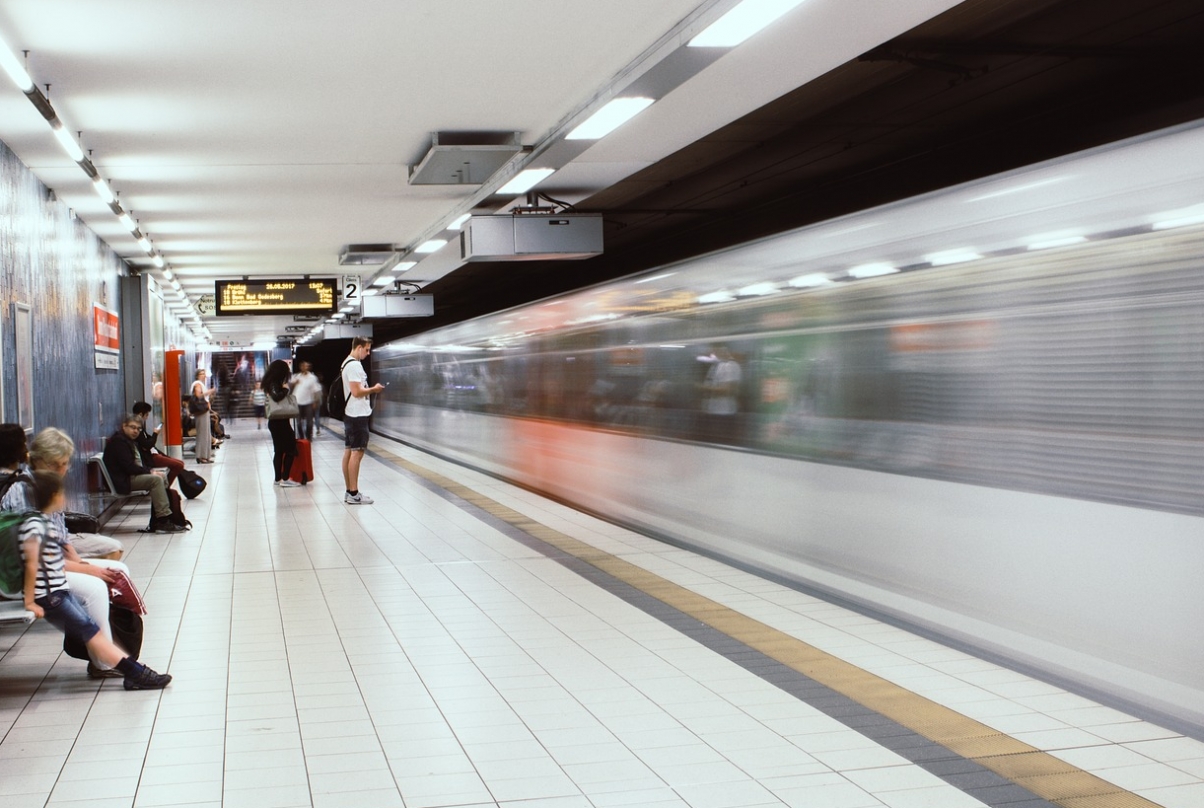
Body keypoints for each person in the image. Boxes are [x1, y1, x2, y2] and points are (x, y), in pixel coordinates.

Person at [19, 470, 172, 690]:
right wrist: (30, 601)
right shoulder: (35, 527)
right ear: (53, 496)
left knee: (91, 632)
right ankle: (136, 674)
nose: (65, 498)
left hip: (57, 592)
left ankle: (134, 672)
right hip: (51, 596)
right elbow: (34, 566)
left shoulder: (42, 524)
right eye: (62, 493)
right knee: (91, 633)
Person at [2, 426, 133, 678]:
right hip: (28, 577)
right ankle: (103, 662)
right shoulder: (23, 491)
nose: (64, 470)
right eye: (59, 464)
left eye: (65, 464)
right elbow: (38, 557)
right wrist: (87, 569)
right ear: (41, 461)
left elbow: (60, 536)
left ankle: (108, 650)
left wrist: (80, 560)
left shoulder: (44, 482)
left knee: (119, 569)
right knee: (95, 588)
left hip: (48, 567)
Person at [102, 415, 188, 533]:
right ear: (124, 426)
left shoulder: (128, 441)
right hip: (123, 480)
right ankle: (163, 520)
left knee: (161, 476)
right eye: (132, 427)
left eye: (138, 429)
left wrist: (151, 471)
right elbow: (129, 467)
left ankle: (161, 519)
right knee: (155, 480)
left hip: (127, 477)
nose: (136, 431)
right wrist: (150, 471)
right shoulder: (119, 443)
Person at [341, 336, 385, 504]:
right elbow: (357, 392)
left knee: (349, 452)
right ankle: (354, 493)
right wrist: (374, 389)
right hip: (357, 415)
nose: (367, 353)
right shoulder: (353, 365)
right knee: (357, 453)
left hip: (351, 413)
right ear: (358, 347)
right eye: (366, 349)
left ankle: (349, 491)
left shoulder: (346, 363)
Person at [262, 360, 301, 488]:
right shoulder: (274, 384)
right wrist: (285, 390)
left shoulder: (270, 382)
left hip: (277, 422)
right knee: (290, 449)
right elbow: (277, 396)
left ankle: (278, 479)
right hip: (280, 423)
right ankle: (285, 478)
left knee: (278, 451)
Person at [131, 401, 186, 488]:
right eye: (147, 415)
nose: (147, 417)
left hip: (153, 454)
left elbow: (148, 442)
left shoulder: (140, 427)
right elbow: (147, 444)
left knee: (179, 463)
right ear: (141, 414)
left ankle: (164, 487)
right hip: (150, 457)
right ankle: (164, 488)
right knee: (178, 465)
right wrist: (155, 434)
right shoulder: (138, 429)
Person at [289, 361, 322, 441]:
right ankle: (301, 437)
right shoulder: (296, 376)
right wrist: (294, 384)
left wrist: (315, 401)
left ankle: (308, 437)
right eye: (303, 366)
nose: (304, 367)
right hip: (297, 402)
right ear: (300, 367)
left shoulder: (312, 378)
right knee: (298, 422)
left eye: (306, 366)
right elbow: (289, 387)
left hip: (308, 402)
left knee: (309, 422)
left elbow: (316, 390)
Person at [190, 368, 214, 464]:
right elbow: (198, 395)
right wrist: (209, 392)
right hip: (201, 412)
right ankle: (201, 455)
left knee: (206, 433)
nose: (203, 375)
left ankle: (205, 455)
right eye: (201, 374)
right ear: (197, 375)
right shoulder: (197, 384)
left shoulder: (201, 384)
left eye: (204, 374)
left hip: (204, 411)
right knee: (203, 433)